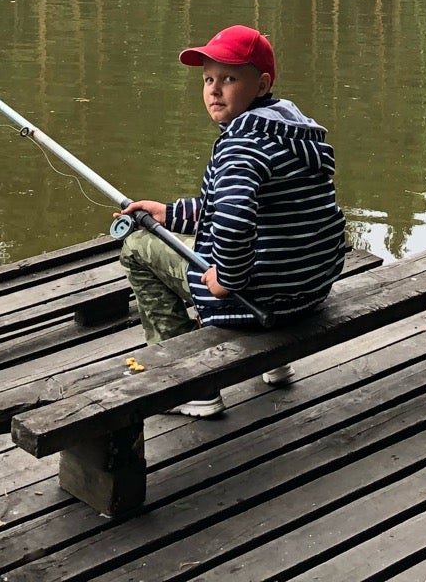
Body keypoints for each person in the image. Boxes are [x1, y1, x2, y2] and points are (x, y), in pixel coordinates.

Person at [115, 25, 344, 418]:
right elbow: (241, 206)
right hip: (308, 293)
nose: (214, 90)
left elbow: (234, 222)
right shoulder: (295, 132)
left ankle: (188, 382)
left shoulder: (242, 144)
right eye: (208, 79)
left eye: (229, 78)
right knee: (262, 242)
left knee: (136, 247)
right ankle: (276, 362)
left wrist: (228, 279)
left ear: (261, 84)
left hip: (257, 302)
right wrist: (168, 214)